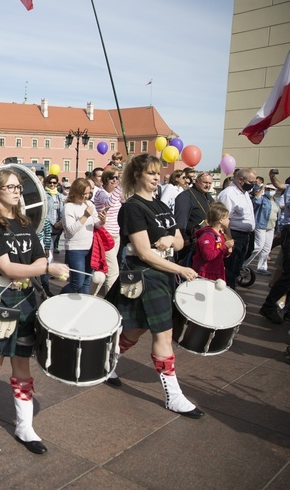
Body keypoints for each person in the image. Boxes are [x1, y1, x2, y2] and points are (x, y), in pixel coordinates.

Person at [0, 169, 68, 455]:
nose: (17, 191)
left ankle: (24, 426)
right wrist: (46, 268)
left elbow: (39, 255)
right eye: (10, 187)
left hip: (25, 299)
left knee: (22, 364)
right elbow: (7, 268)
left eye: (18, 186)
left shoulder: (25, 222)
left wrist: (40, 266)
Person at [107, 153, 204, 419]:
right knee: (163, 336)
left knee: (136, 331)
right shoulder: (132, 208)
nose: (156, 177)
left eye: (158, 172)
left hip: (163, 275)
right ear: (137, 175)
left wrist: (168, 241)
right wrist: (181, 268)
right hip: (146, 276)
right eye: (150, 173)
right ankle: (174, 396)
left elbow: (181, 241)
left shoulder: (162, 205)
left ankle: (107, 363)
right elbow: (143, 252)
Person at [61, 178, 105, 294]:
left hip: (91, 248)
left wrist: (102, 221)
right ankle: (58, 299)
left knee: (86, 281)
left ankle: (82, 307)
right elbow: (70, 230)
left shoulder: (90, 204)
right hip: (76, 249)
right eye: (84, 193)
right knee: (77, 282)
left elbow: (96, 224)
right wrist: (85, 216)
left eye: (88, 193)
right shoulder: (69, 207)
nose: (86, 196)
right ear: (76, 192)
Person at [217, 167, 257, 289]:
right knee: (230, 268)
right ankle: (228, 293)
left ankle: (232, 291)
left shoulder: (244, 193)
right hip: (234, 235)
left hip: (245, 236)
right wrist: (229, 239)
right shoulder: (229, 194)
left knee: (237, 267)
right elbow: (223, 219)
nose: (253, 185)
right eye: (251, 182)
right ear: (240, 180)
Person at [92, 167, 123, 295]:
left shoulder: (116, 194)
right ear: (105, 179)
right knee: (113, 270)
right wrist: (120, 187)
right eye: (112, 177)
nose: (115, 180)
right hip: (105, 235)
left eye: (117, 177)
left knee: (104, 269)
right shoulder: (100, 193)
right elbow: (108, 202)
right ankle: (112, 300)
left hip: (116, 234)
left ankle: (90, 295)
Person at [174, 171, 214, 265]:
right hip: (191, 243)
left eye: (209, 183)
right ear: (196, 181)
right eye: (205, 183)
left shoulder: (208, 196)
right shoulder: (185, 196)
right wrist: (185, 238)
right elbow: (180, 220)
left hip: (208, 241)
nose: (207, 186)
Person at [191, 202, 234, 281]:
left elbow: (219, 254)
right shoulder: (207, 236)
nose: (229, 220)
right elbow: (208, 256)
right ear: (221, 220)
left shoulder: (220, 235)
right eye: (228, 218)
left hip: (217, 270)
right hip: (206, 272)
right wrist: (224, 247)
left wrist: (227, 251)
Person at [244, 181, 277, 275]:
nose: (270, 191)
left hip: (271, 227)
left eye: (272, 189)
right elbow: (256, 201)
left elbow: (276, 214)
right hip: (260, 226)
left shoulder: (276, 201)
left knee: (266, 249)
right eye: (268, 189)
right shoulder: (262, 198)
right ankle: (244, 264)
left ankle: (262, 267)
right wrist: (262, 188)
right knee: (258, 246)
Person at [44, 174, 63, 254]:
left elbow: (62, 210)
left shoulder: (59, 195)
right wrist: (53, 222)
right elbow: (44, 211)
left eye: (54, 183)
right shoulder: (44, 195)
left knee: (52, 247)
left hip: (57, 225)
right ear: (46, 183)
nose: (52, 184)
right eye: (50, 182)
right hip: (48, 224)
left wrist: (60, 222)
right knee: (47, 247)